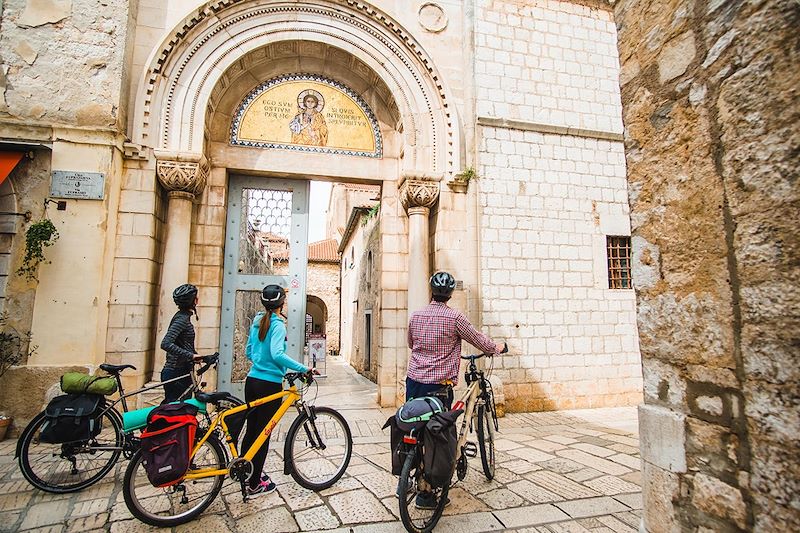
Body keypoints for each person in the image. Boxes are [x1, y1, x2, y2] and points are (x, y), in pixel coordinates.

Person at [406, 271, 504, 509]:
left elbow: (411, 343)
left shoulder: (416, 316)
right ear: (449, 295)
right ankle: (430, 491)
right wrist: (496, 347)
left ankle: (413, 474)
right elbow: (478, 339)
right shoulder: (454, 318)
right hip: (439, 386)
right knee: (437, 434)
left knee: (416, 427)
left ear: (431, 291)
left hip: (414, 382)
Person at [242, 284, 313, 496]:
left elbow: (248, 351)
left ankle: (247, 472)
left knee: (252, 430)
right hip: (269, 385)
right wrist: (304, 367)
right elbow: (277, 354)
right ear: (282, 303)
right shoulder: (278, 325)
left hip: (252, 381)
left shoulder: (256, 322)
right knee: (263, 434)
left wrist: (259, 363)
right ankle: (254, 484)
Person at [160, 283, 204, 403]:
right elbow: (166, 343)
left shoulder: (183, 318)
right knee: (175, 412)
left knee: (177, 410)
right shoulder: (181, 320)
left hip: (182, 370)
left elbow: (182, 343)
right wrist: (190, 355)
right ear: (195, 301)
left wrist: (195, 355)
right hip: (176, 372)